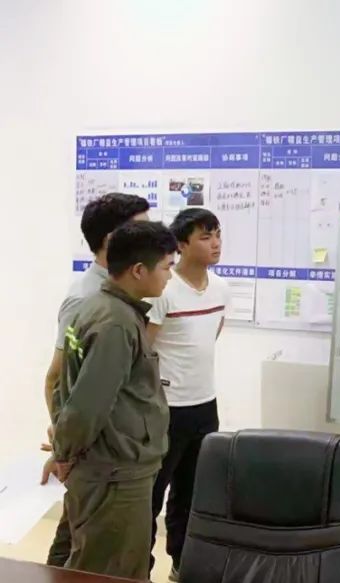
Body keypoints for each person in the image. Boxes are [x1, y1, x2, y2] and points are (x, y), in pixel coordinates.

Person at [49, 221, 177, 579]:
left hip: (109, 469)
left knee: (95, 562)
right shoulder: (116, 323)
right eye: (166, 267)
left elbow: (64, 389)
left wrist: (65, 450)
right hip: (115, 476)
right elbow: (87, 405)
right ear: (138, 270)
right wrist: (64, 454)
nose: (170, 277)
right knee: (111, 571)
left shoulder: (98, 307)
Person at [40, 192, 150, 567]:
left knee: (81, 539)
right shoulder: (87, 299)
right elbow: (57, 379)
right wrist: (65, 448)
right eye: (141, 228)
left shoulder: (126, 290)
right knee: (85, 547)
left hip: (114, 450)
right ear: (111, 240)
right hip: (100, 459)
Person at [146, 209, 229, 580]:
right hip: (167, 409)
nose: (216, 243)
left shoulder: (221, 288)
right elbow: (144, 351)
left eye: (217, 234)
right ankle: (139, 567)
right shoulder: (163, 290)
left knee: (192, 493)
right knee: (152, 494)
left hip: (205, 405)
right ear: (181, 244)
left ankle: (183, 564)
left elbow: (210, 338)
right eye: (205, 237)